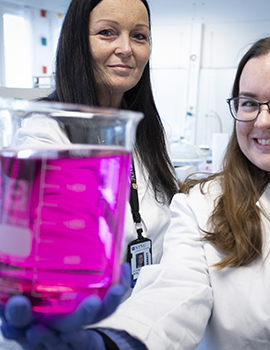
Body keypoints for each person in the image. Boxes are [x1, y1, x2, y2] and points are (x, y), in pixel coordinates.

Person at [2, 31, 270, 349]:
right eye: (248, 103)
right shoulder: (202, 205)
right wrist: (110, 343)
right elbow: (173, 295)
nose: (262, 121)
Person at [0, 0, 177, 348]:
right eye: (107, 32)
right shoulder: (43, 133)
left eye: (139, 36)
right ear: (77, 42)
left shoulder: (149, 135)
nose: (125, 49)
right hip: (75, 328)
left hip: (142, 327)